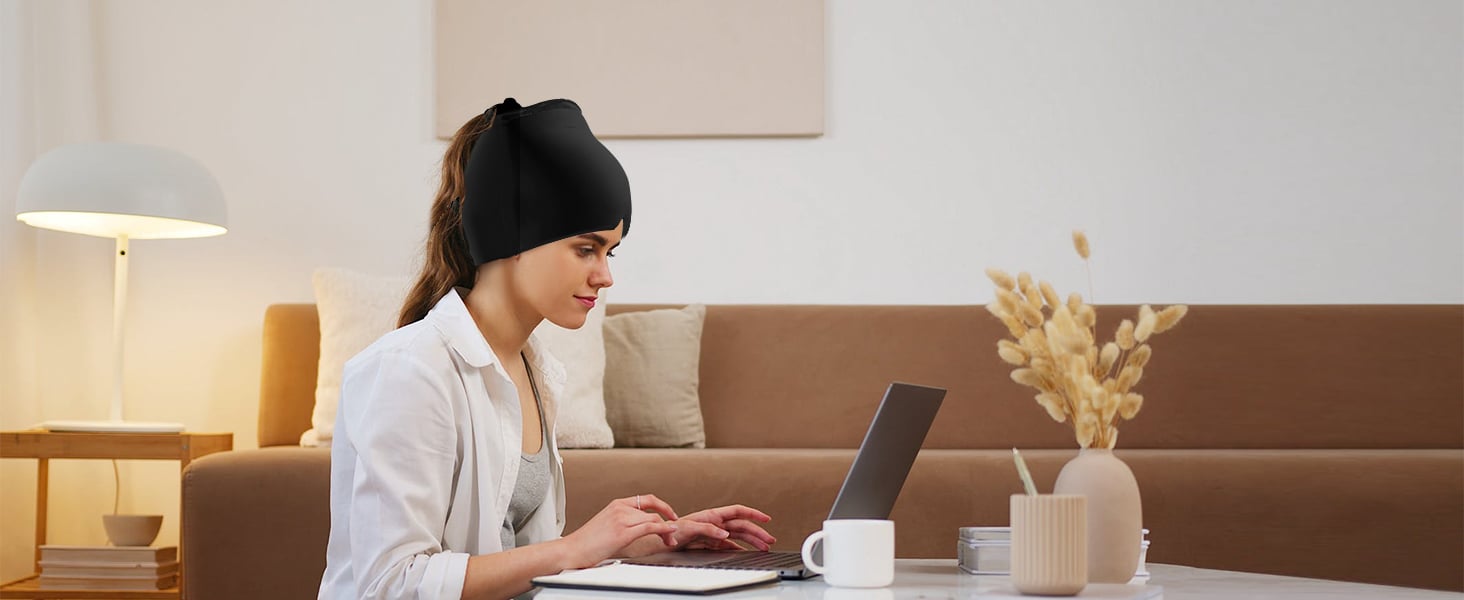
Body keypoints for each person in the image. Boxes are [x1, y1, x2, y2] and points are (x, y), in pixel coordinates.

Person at [317, 98, 776, 600]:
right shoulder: (409, 371)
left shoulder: (536, 371)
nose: (605, 276)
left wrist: (652, 541)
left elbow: (520, 559)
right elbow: (391, 583)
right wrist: (576, 547)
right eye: (586, 249)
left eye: (610, 252)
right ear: (511, 235)